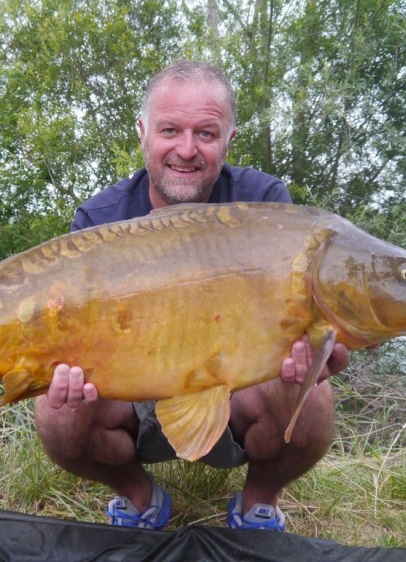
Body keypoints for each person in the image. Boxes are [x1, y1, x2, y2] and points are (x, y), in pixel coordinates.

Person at [33, 60, 349, 531]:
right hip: (133, 387)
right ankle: (140, 499)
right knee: (55, 412)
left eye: (205, 133)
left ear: (228, 140)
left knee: (314, 398)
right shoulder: (101, 221)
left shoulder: (265, 206)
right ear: (142, 133)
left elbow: (319, 331)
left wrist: (326, 353)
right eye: (169, 130)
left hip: (236, 388)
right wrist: (60, 373)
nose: (186, 149)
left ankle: (258, 503)